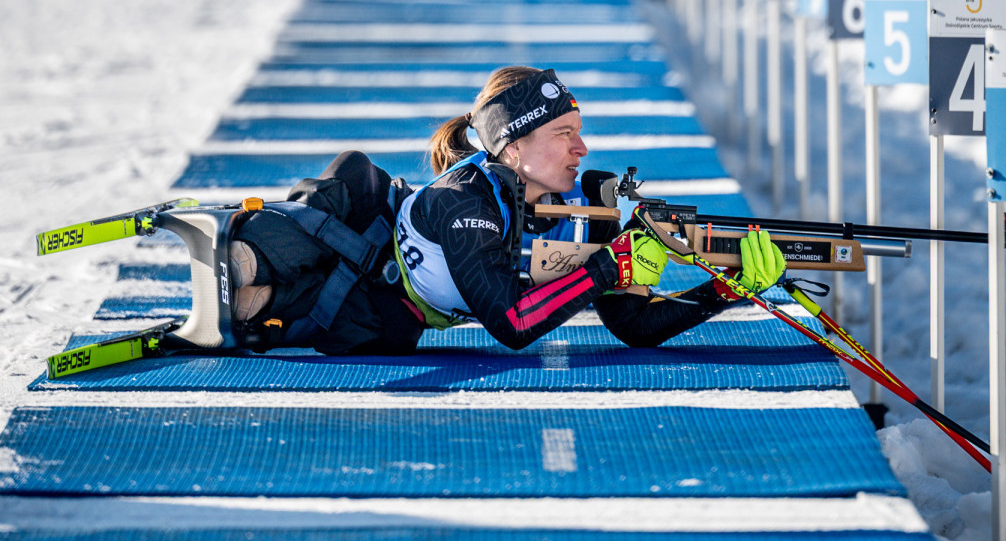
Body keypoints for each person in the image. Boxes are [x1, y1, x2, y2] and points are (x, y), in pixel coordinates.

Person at [229, 66, 784, 356]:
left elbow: (633, 327)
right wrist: (610, 268)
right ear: (512, 150)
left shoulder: (585, 199)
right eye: (563, 134)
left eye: (580, 132)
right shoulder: (466, 200)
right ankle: (255, 263)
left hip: (395, 308)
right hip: (364, 271)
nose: (581, 149)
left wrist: (726, 290)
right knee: (264, 293)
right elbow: (514, 324)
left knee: (377, 328)